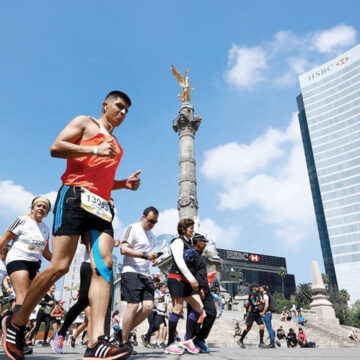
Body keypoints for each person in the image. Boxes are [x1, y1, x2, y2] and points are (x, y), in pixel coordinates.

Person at [2, 90, 140, 360]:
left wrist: (123, 184)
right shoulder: (86, 122)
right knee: (60, 266)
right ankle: (16, 322)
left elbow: (102, 179)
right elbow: (56, 147)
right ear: (105, 105)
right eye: (119, 107)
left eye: (126, 111)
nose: (122, 113)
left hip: (101, 206)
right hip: (75, 195)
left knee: (105, 265)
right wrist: (94, 148)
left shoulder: (117, 146)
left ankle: (96, 342)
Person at [0, 196, 52, 315]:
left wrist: (61, 262)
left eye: (45, 207)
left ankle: (10, 321)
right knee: (22, 295)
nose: (41, 208)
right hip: (18, 259)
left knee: (29, 300)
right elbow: (3, 241)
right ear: (32, 208)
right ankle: (16, 329)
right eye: (38, 205)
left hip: (34, 265)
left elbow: (46, 252)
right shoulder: (22, 220)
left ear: (47, 212)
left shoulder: (46, 229)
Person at [120, 206, 159, 351]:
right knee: (133, 305)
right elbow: (123, 249)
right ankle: (124, 342)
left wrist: (152, 258)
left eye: (155, 222)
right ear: (143, 217)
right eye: (150, 221)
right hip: (131, 271)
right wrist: (144, 255)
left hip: (146, 273)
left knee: (148, 306)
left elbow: (148, 254)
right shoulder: (132, 228)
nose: (152, 224)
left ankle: (122, 331)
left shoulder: (153, 235)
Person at [165, 218, 204, 355]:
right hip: (176, 278)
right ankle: (170, 343)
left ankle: (188, 338)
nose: (192, 229)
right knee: (178, 308)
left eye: (193, 227)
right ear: (183, 229)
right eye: (190, 227)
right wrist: (192, 279)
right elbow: (180, 262)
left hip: (186, 281)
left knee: (198, 307)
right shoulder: (177, 241)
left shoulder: (188, 243)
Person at [185, 233, 216, 353]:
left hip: (206, 289)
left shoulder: (202, 257)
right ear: (197, 242)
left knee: (212, 313)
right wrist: (199, 289)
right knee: (193, 314)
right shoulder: (192, 254)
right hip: (196, 289)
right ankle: (188, 340)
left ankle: (199, 338)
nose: (205, 243)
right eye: (204, 241)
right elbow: (192, 273)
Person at [237, 284, 266, 349]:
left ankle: (261, 342)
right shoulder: (252, 294)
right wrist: (261, 303)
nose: (258, 288)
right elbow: (253, 303)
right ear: (253, 288)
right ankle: (240, 340)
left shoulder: (258, 294)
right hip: (251, 314)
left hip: (257, 313)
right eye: (257, 287)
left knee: (262, 326)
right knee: (248, 328)